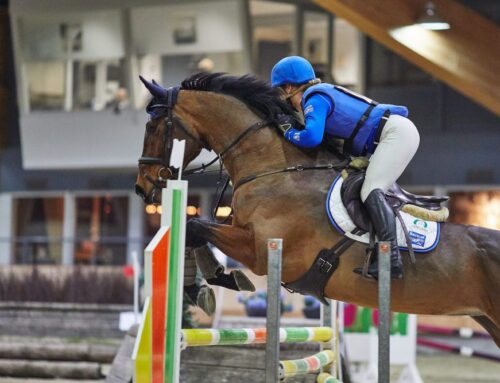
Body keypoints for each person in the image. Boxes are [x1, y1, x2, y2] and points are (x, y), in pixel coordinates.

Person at [271, 56, 420, 280]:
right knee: (369, 188)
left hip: (395, 134)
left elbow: (311, 138)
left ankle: (391, 259)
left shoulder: (314, 97)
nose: (285, 100)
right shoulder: (321, 92)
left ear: (290, 87)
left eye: (282, 92)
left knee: (371, 190)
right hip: (390, 134)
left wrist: (288, 132)